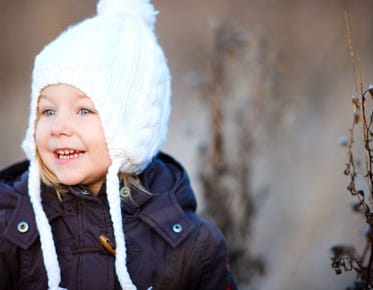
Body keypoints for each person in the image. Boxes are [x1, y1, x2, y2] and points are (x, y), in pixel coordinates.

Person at [0, 0, 238, 289]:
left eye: (84, 110)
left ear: (132, 126)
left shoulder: (191, 246)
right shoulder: (10, 229)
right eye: (48, 111)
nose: (59, 127)